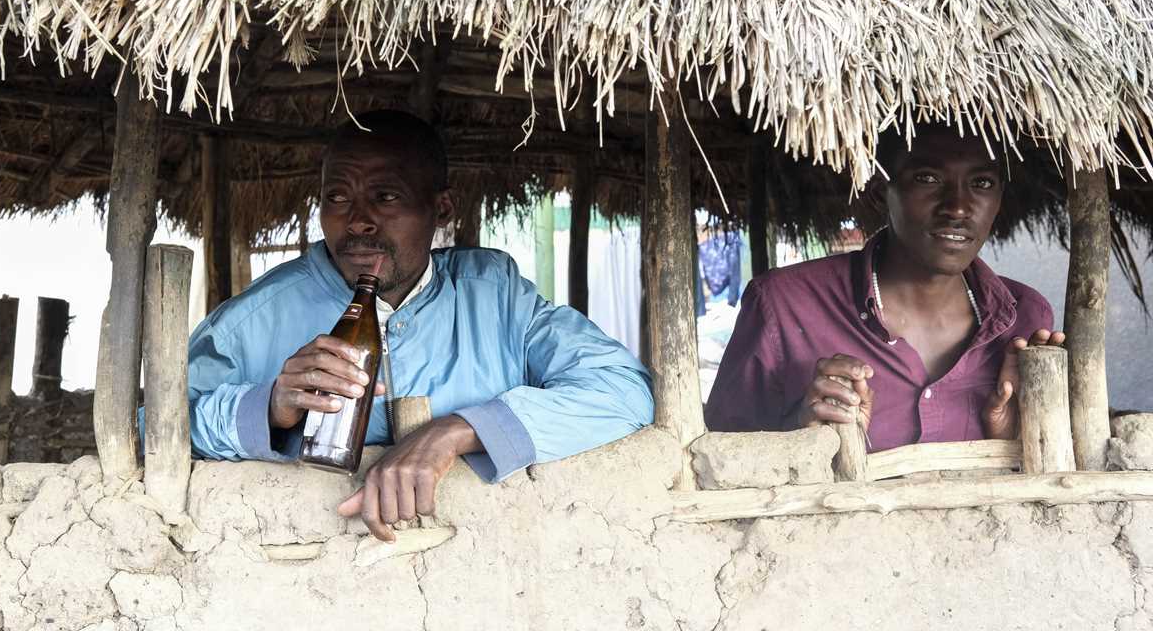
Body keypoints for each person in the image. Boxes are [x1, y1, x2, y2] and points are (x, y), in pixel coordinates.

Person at [186, 110, 653, 541]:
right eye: (337, 198)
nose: (359, 222)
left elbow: (624, 392)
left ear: (442, 209)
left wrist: (460, 430)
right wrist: (269, 408)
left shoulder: (496, 297)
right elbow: (159, 426)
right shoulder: (251, 321)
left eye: (385, 197)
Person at [705, 124, 1064, 450]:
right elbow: (721, 458)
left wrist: (1014, 439)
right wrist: (802, 435)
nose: (957, 207)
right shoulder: (784, 306)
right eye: (928, 178)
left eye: (982, 183)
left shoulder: (1025, 318)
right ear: (880, 193)